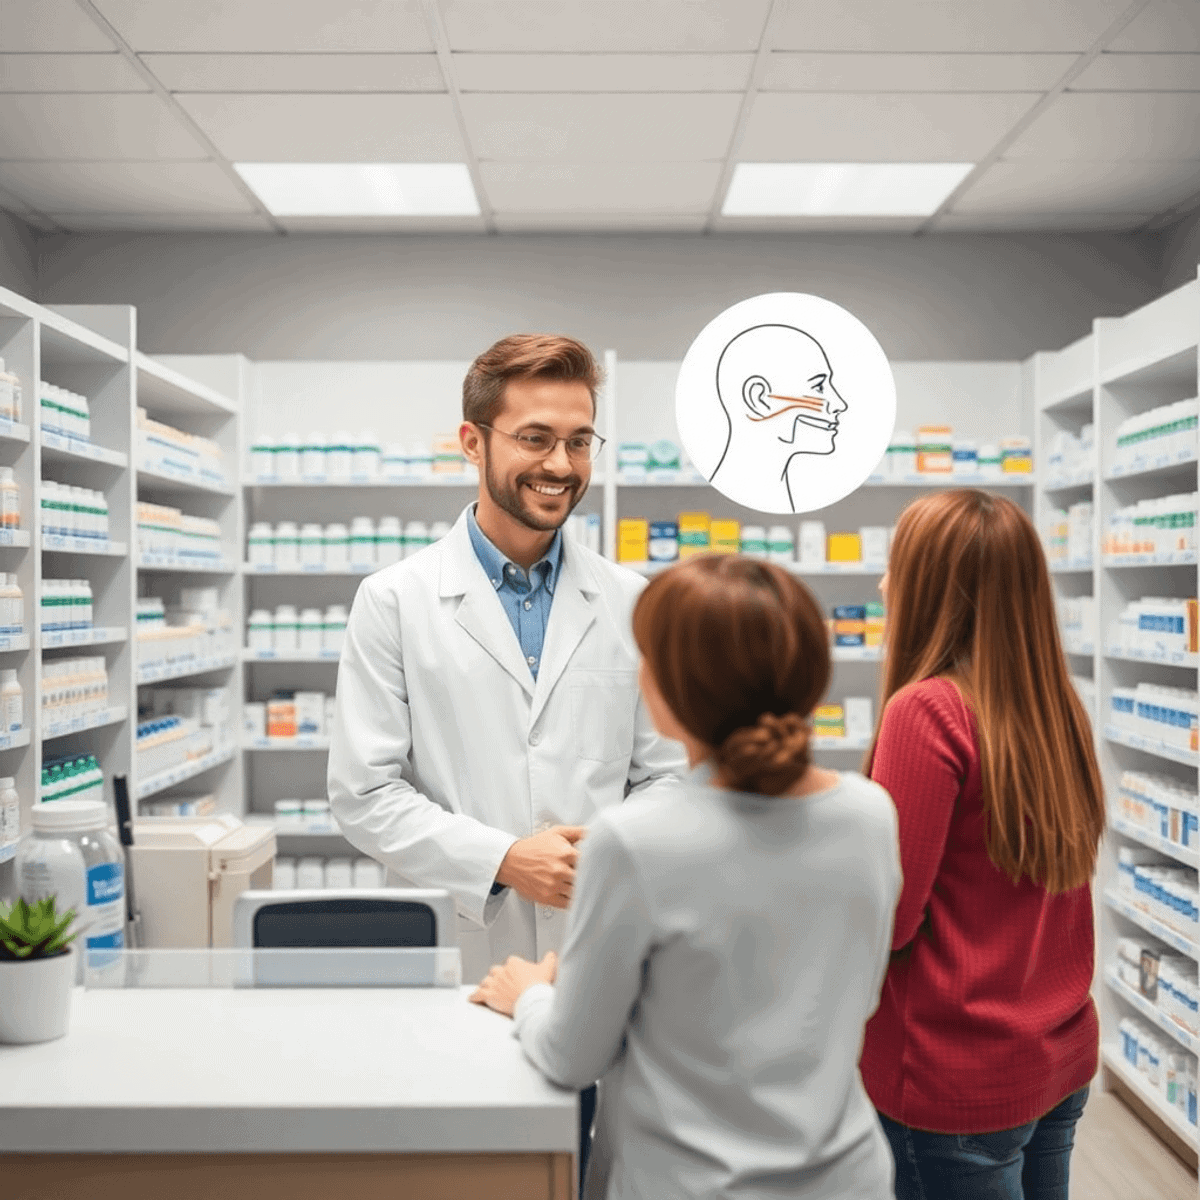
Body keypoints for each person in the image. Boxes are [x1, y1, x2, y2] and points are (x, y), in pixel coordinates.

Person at [327, 334, 687, 1192]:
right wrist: (503, 859)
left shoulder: (633, 601)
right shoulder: (396, 602)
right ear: (472, 441)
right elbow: (363, 793)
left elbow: (668, 773)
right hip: (465, 947)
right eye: (534, 438)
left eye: (578, 440)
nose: (560, 464)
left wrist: (612, 850)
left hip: (600, 948)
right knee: (473, 1172)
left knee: (598, 1166)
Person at [470, 556, 902, 1200]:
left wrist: (529, 993)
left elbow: (572, 1058)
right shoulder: (869, 813)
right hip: (847, 1178)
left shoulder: (636, 841)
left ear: (676, 690)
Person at [859, 489, 1104, 1200]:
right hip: (1054, 1057)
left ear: (936, 589)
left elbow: (894, 918)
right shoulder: (1056, 704)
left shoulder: (927, 711)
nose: (882, 585)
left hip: (953, 1077)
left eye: (897, 567)